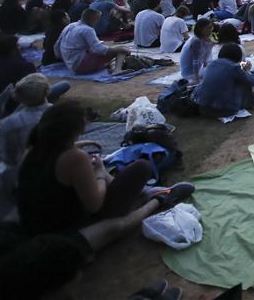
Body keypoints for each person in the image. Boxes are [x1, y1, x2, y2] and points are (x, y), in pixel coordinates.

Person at [16, 101, 194, 252]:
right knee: (138, 175)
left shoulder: (32, 150)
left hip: (36, 226)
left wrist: (78, 145)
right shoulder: (73, 158)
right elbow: (95, 206)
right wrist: (100, 173)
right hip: (67, 232)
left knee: (121, 177)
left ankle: (145, 192)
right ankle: (160, 199)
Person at [193, 43, 254, 118]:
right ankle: (248, 104)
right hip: (223, 110)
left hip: (202, 106)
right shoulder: (234, 68)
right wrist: (245, 70)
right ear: (237, 55)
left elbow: (229, 67)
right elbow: (252, 81)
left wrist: (242, 67)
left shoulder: (213, 63)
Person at [54, 9, 131, 75]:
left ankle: (112, 66)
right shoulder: (88, 29)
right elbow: (100, 50)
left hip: (70, 63)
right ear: (95, 19)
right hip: (80, 65)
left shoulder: (70, 26)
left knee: (108, 47)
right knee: (122, 50)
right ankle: (117, 70)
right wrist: (120, 49)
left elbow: (57, 46)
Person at [179, 18, 214, 84]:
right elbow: (195, 61)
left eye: (211, 28)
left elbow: (206, 59)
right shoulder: (196, 41)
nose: (210, 31)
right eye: (208, 28)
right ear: (200, 29)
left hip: (197, 71)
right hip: (190, 73)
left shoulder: (204, 39)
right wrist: (196, 79)